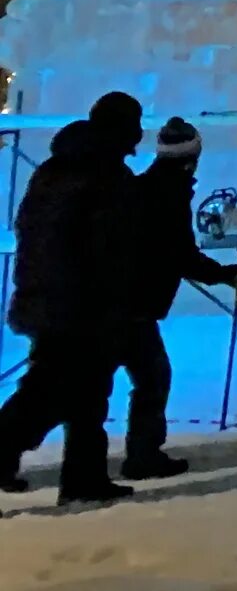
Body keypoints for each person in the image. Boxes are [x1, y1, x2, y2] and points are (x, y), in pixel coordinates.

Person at [0, 92, 144, 503]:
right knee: (51, 397)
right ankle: (78, 478)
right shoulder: (105, 177)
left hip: (47, 298)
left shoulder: (54, 170)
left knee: (73, 395)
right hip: (81, 307)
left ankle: (85, 478)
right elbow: (109, 250)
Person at [115, 115, 237, 481]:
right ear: (192, 157)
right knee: (152, 378)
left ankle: (132, 456)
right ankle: (141, 457)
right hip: (132, 305)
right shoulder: (168, 195)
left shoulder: (149, 186)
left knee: (112, 381)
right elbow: (180, 254)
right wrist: (227, 274)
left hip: (120, 301)